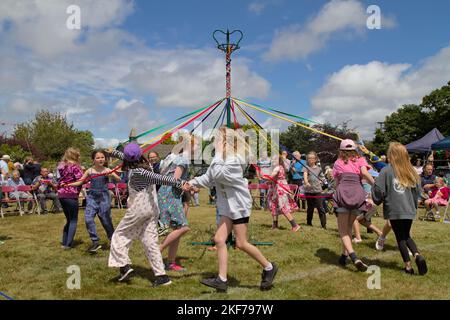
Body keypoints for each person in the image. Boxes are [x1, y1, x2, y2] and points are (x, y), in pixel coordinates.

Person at [185, 126, 278, 292]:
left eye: (217, 140)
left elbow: (218, 175)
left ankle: (269, 267)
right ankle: (222, 279)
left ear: (225, 142)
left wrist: (219, 153)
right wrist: (191, 183)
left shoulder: (235, 159)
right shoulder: (222, 158)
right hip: (227, 206)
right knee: (220, 240)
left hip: (239, 206)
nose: (214, 143)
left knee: (241, 243)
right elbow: (209, 177)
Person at [107, 143, 186, 286]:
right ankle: (162, 277)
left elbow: (161, 179)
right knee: (150, 242)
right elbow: (126, 157)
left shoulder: (138, 172)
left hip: (139, 209)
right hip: (152, 210)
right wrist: (113, 152)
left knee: (119, 235)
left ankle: (124, 266)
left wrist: (181, 183)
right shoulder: (146, 164)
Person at [372, 142, 428, 275]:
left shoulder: (386, 170)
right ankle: (417, 255)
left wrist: (375, 191)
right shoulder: (411, 171)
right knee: (407, 235)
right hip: (409, 209)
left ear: (392, 155)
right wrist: (413, 208)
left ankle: (408, 267)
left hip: (395, 209)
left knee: (400, 238)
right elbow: (417, 193)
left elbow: (379, 190)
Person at [64, 150, 121, 253]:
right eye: (98, 158)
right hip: (92, 197)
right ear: (93, 160)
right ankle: (95, 242)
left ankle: (113, 240)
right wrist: (68, 185)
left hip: (104, 197)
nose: (100, 159)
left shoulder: (107, 169)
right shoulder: (90, 171)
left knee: (106, 220)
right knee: (88, 219)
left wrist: (112, 174)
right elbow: (80, 181)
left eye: (102, 157)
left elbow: (118, 179)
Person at [332, 139, 374, 271]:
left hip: (343, 193)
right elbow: (365, 173)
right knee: (349, 227)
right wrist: (376, 186)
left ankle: (354, 257)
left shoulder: (338, 162)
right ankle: (344, 256)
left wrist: (334, 192)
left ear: (341, 150)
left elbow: (337, 182)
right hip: (357, 193)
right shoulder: (360, 159)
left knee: (343, 230)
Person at [158, 143, 191, 272]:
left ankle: (171, 263)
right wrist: (186, 185)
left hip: (167, 192)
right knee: (183, 227)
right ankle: (158, 249)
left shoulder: (174, 158)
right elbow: (176, 179)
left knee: (177, 229)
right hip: (170, 194)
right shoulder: (183, 159)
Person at [57, 148, 84, 249]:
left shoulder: (61, 166)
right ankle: (68, 244)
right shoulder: (75, 167)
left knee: (68, 219)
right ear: (74, 156)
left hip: (61, 194)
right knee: (73, 220)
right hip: (71, 195)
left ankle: (64, 242)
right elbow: (81, 180)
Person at [266, 155, 300, 231]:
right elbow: (273, 179)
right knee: (274, 206)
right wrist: (268, 181)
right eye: (272, 159)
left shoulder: (278, 167)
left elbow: (271, 177)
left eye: (275, 159)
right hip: (275, 189)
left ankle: (295, 225)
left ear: (279, 160)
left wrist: (263, 176)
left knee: (283, 207)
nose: (273, 161)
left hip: (280, 190)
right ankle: (275, 225)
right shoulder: (277, 167)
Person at [303, 151, 327, 229]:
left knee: (320, 207)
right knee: (310, 208)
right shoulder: (306, 167)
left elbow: (323, 178)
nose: (310, 159)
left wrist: (322, 181)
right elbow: (305, 176)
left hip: (317, 191)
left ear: (315, 159)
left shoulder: (319, 169)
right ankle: (309, 223)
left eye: (312, 158)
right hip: (309, 191)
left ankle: (323, 225)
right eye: (309, 158)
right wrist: (306, 182)